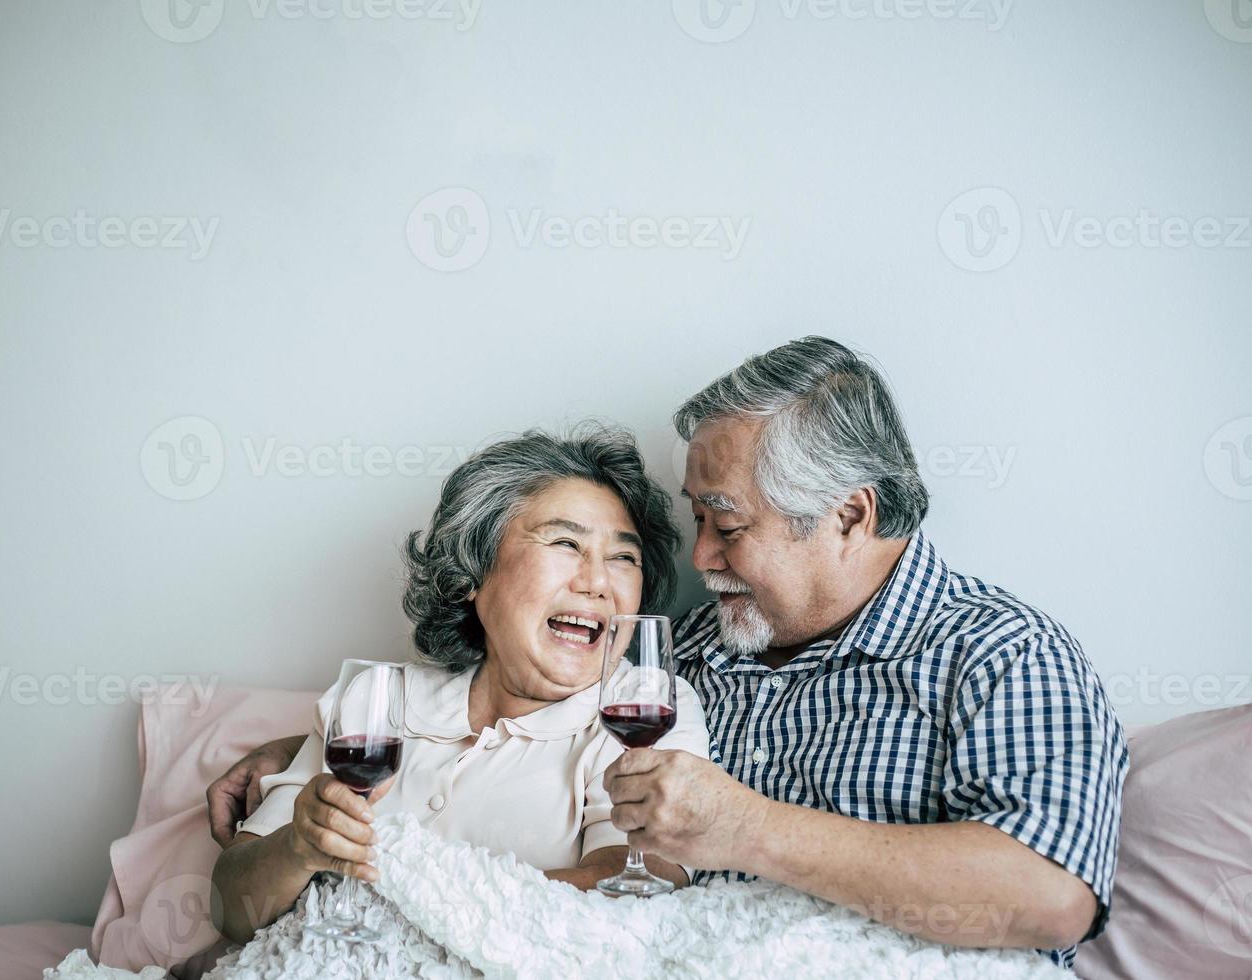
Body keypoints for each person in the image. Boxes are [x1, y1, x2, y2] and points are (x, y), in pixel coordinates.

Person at [212, 337, 1128, 969]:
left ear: (852, 514)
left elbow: (1050, 899)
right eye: (694, 522)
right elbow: (513, 692)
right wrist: (296, 754)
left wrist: (748, 830)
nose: (695, 562)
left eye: (726, 523)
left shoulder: (1001, 656)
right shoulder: (680, 653)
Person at [211, 427, 710, 944]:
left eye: (623, 558)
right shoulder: (375, 699)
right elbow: (228, 909)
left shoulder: (646, 709)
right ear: (472, 573)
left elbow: (632, 887)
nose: (597, 581)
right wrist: (297, 847)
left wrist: (396, 922)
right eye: (565, 543)